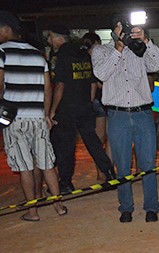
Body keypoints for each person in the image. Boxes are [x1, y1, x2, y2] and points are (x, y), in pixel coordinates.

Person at [91, 20, 159, 223]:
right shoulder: (101, 51)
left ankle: (151, 207)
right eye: (121, 27)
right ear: (113, 29)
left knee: (148, 163)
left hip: (143, 113)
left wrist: (145, 41)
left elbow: (158, 64)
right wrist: (118, 48)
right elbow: (101, 74)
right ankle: (125, 207)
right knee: (122, 164)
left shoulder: (139, 49)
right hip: (118, 115)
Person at [0, 10, 67, 221]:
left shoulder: (1, 52)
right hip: (38, 117)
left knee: (25, 167)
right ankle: (58, 206)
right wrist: (46, 114)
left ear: (6, 29)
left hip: (15, 118)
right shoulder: (38, 54)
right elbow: (47, 88)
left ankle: (32, 212)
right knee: (47, 163)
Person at [47, 24, 115, 194]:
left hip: (67, 107)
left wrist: (52, 110)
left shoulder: (62, 55)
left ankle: (65, 182)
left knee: (66, 146)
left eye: (50, 37)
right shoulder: (82, 53)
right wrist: (88, 102)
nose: (49, 41)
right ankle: (109, 172)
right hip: (84, 105)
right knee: (93, 141)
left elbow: (60, 85)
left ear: (58, 37)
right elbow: (92, 82)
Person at [81, 32, 111, 181]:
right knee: (109, 138)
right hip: (104, 101)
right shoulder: (101, 57)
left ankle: (101, 173)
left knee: (98, 141)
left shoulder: (84, 59)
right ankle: (108, 171)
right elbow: (98, 83)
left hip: (93, 102)